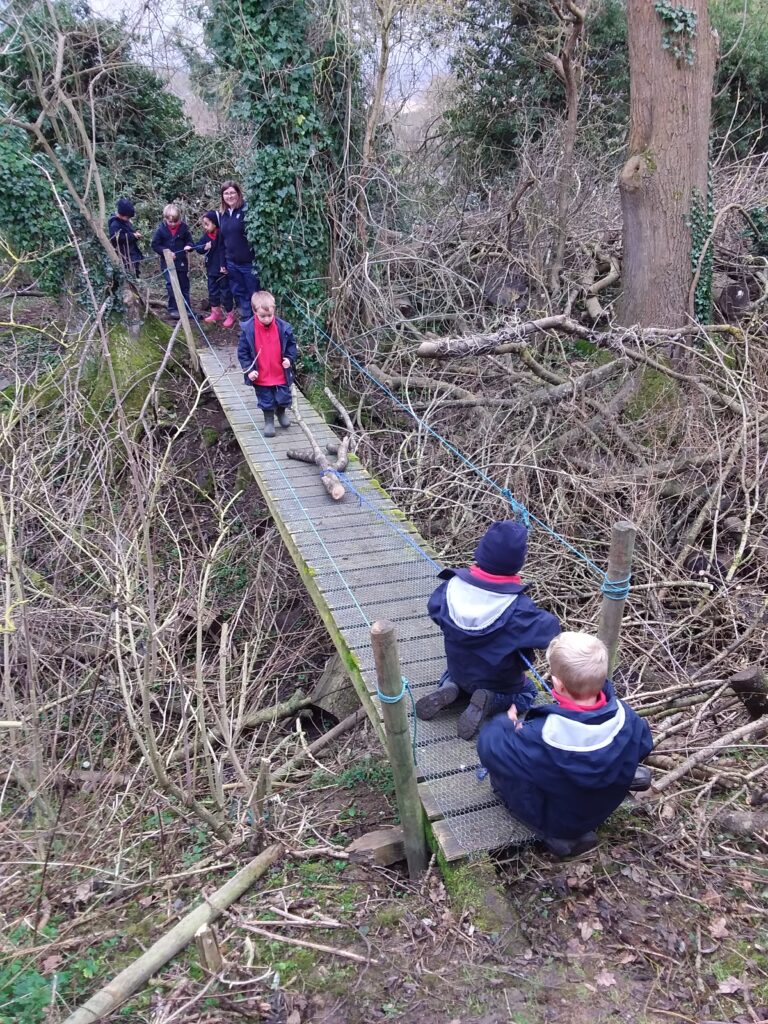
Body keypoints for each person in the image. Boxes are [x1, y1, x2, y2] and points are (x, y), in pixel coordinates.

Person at [477, 632, 653, 857]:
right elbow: (645, 744)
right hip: (603, 805)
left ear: (557, 685)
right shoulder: (624, 715)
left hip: (561, 817)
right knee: (618, 756)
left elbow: (490, 748)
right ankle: (617, 777)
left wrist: (505, 724)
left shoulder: (544, 734)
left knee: (504, 773)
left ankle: (561, 836)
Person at [415, 520, 560, 740]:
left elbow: (434, 610)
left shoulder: (451, 588)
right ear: (517, 563)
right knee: (528, 692)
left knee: (453, 674)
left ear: (480, 551)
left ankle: (451, 688)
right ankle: (491, 701)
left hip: (459, 670)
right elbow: (549, 632)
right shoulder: (518, 609)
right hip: (499, 681)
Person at [237, 290, 297, 438]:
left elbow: (291, 345)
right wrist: (249, 369)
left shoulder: (283, 328)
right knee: (266, 399)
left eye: (270, 315)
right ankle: (269, 420)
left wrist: (289, 358)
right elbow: (242, 353)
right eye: (262, 316)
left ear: (274, 310)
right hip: (261, 373)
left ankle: (281, 412)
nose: (267, 319)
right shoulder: (249, 330)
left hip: (280, 371)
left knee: (284, 396)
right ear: (254, 311)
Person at [185, 211, 236, 328]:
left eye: (207, 224)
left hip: (222, 270)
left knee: (225, 293)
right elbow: (198, 247)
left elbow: (225, 250)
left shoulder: (222, 235)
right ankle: (215, 313)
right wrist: (203, 247)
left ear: (215, 223)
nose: (205, 227)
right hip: (211, 269)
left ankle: (230, 315)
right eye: (204, 224)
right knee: (212, 291)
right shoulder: (206, 236)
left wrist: (224, 265)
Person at [219, 181, 260, 319]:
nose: (229, 196)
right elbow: (222, 241)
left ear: (238, 193)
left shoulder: (246, 210)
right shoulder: (223, 214)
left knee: (253, 294)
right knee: (239, 293)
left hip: (248, 263)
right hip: (232, 262)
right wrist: (223, 263)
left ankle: (257, 325)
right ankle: (247, 324)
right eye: (226, 193)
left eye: (232, 192)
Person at [151, 203, 194, 320]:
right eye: (170, 222)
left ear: (179, 219)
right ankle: (173, 309)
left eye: (176, 221)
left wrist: (189, 246)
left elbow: (190, 242)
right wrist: (165, 251)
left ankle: (186, 308)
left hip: (181, 263)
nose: (173, 224)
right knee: (171, 285)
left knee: (184, 285)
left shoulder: (184, 228)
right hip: (168, 264)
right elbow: (155, 245)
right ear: (165, 219)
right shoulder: (161, 230)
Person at [108, 198, 143, 276]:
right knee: (129, 275)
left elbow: (129, 232)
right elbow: (116, 239)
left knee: (135, 273)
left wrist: (135, 234)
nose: (128, 219)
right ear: (121, 215)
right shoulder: (114, 225)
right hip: (125, 256)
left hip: (132, 253)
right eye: (127, 217)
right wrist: (132, 235)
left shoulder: (125, 222)